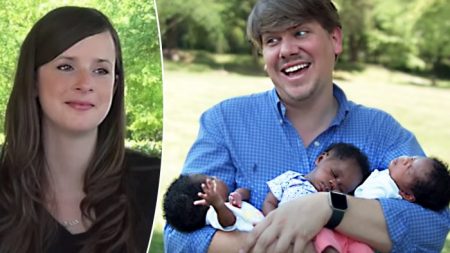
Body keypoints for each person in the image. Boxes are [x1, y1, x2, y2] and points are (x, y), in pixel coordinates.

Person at [163, 0, 449, 252]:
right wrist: (278, 245)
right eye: (272, 40)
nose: (286, 50)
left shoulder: (383, 132)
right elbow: (178, 237)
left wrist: (329, 208)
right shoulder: (223, 122)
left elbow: (433, 227)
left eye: (300, 33)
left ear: (335, 39)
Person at [0, 6, 160, 253]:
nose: (85, 84)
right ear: (32, 81)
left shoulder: (155, 185)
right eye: (66, 67)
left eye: (101, 70)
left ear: (115, 86)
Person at [315, 155, 450, 253]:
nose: (405, 160)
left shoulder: (389, 189)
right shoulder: (388, 175)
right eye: (412, 158)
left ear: (407, 195)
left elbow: (363, 205)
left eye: (409, 169)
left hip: (356, 233)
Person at [263, 142, 370, 215]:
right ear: (320, 159)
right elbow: (270, 201)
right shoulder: (291, 178)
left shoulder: (328, 201)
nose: (333, 184)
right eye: (334, 174)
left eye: (341, 189)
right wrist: (271, 221)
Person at [163, 174, 264, 232]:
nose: (216, 177)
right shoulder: (214, 215)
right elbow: (229, 222)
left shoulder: (228, 203)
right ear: (208, 198)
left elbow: (247, 191)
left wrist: (238, 194)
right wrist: (218, 204)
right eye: (212, 180)